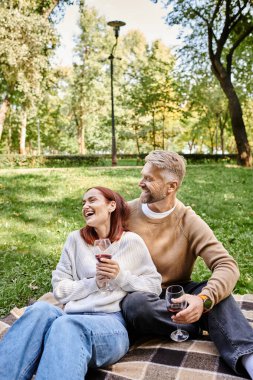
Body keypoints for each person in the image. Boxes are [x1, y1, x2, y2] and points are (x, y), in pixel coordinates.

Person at [0, 186, 162, 380]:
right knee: (38, 310)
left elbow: (154, 286)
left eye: (92, 200)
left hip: (109, 323)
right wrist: (93, 283)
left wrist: (120, 277)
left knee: (66, 325)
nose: (86, 206)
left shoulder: (131, 242)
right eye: (83, 203)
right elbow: (59, 289)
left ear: (111, 206)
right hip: (68, 315)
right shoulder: (75, 240)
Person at [121, 150, 253, 379]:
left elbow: (226, 265)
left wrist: (202, 300)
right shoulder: (124, 213)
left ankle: (249, 359)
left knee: (215, 295)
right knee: (135, 303)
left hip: (177, 294)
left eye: (149, 179)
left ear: (171, 186)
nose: (140, 183)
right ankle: (195, 325)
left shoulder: (188, 220)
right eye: (142, 176)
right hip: (139, 293)